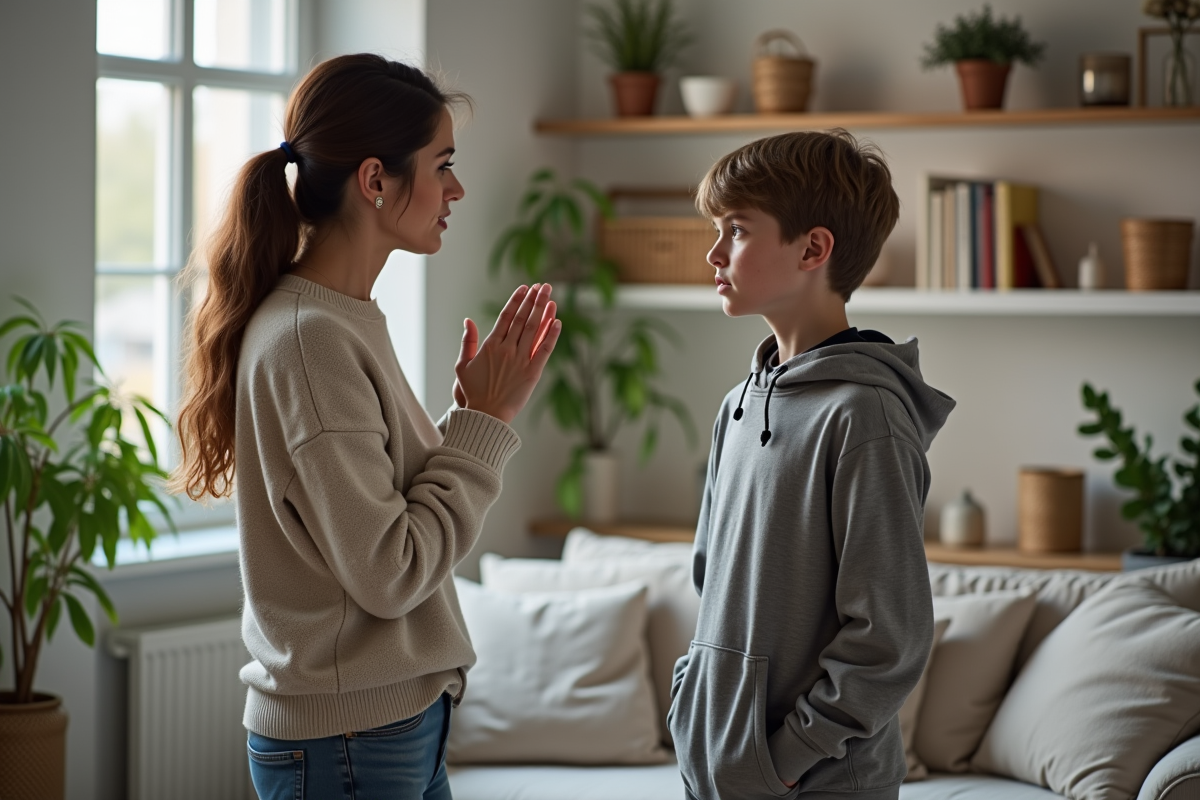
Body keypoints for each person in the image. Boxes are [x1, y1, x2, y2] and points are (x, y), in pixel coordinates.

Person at [172, 54, 561, 800]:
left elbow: (371, 513)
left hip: (384, 728)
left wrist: (469, 422)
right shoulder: (309, 338)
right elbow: (390, 570)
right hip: (350, 742)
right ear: (375, 179)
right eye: (442, 164)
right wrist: (481, 426)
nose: (457, 189)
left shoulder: (338, 320)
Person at [666, 129, 956, 800]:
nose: (713, 252)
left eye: (735, 230)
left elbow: (889, 639)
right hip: (718, 766)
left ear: (813, 248)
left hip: (816, 781)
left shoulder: (865, 418)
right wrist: (694, 708)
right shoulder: (736, 404)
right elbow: (710, 584)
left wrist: (787, 759)